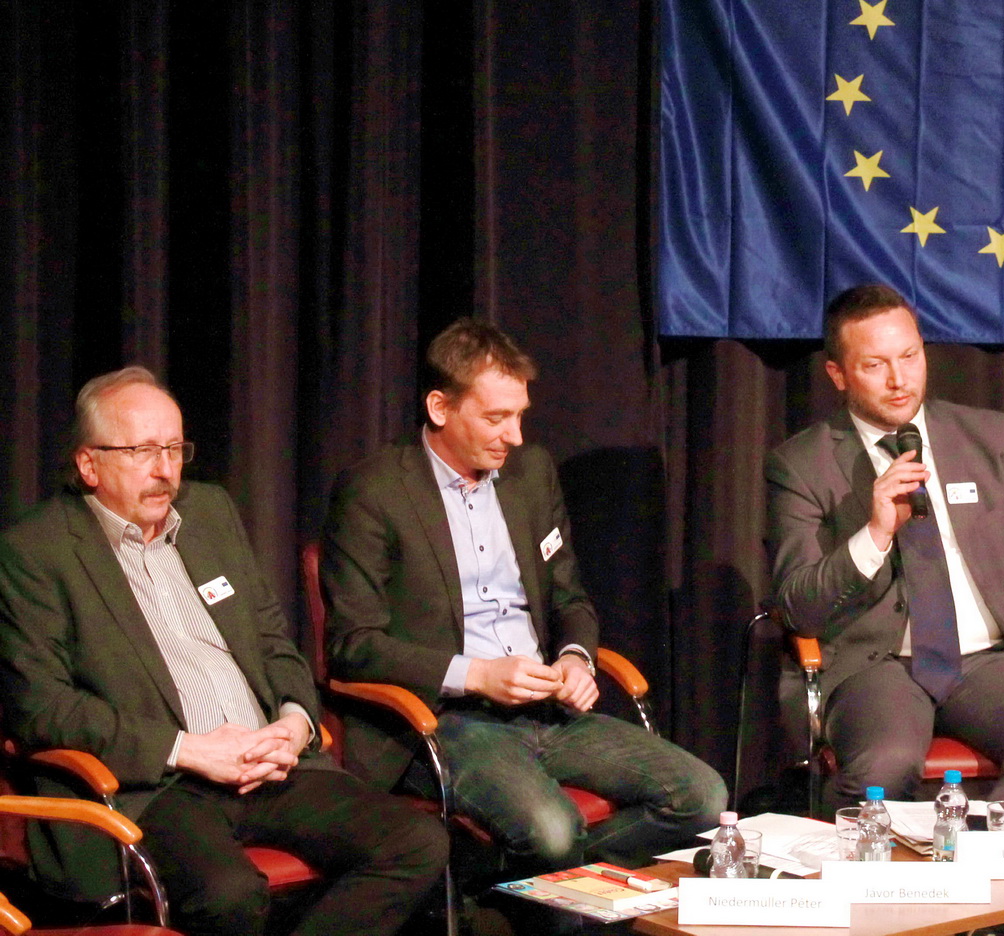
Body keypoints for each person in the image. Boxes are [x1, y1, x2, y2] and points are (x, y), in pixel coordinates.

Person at [0, 368, 447, 936]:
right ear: (89, 464)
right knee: (228, 894)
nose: (164, 469)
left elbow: (272, 639)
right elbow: (43, 709)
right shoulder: (36, 551)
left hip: (267, 763)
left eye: (173, 449)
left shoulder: (209, 512)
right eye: (142, 451)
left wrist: (293, 724)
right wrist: (188, 750)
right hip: (156, 787)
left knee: (418, 842)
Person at [321, 318, 725, 875]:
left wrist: (576, 659)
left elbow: (570, 598)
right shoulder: (375, 491)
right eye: (496, 417)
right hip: (447, 721)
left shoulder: (530, 475)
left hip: (547, 709)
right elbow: (353, 645)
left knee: (703, 797)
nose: (514, 436)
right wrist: (477, 675)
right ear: (440, 408)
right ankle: (549, 882)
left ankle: (556, 885)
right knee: (553, 832)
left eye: (519, 416)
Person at [766, 284, 1004, 827]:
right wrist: (875, 532)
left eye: (910, 356)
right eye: (875, 365)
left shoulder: (992, 438)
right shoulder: (801, 464)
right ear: (838, 375)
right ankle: (869, 880)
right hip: (876, 667)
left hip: (986, 661)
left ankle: (987, 872)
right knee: (884, 766)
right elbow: (799, 607)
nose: (899, 379)